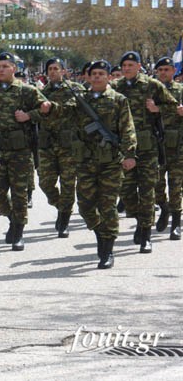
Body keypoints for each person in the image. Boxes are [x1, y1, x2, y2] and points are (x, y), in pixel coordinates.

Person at [55, 60, 137, 268]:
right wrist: (49, 106)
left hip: (110, 161)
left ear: (109, 76)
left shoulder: (118, 100)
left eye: (102, 73)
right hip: (85, 161)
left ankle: (107, 248)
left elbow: (127, 129)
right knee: (85, 206)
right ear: (88, 77)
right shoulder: (80, 100)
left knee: (108, 205)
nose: (98, 77)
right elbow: (62, 113)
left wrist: (129, 155)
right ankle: (101, 232)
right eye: (94, 74)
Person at [0, 52, 51, 251]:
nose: (1, 70)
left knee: (19, 194)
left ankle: (18, 231)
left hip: (20, 151)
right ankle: (12, 218)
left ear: (14, 69)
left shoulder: (26, 91)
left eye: (5, 66)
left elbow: (49, 110)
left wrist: (29, 115)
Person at [114, 51, 177, 253]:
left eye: (130, 65)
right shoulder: (116, 87)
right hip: (125, 147)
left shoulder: (152, 85)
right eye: (124, 66)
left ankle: (145, 235)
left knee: (147, 190)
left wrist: (157, 109)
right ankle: (140, 220)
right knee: (127, 191)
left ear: (139, 66)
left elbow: (173, 106)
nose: (126, 69)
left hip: (148, 146)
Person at [35, 58, 82, 237]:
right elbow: (36, 112)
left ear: (63, 71)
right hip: (47, 144)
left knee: (68, 183)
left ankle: (64, 218)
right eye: (50, 69)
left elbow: (72, 108)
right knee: (45, 182)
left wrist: (50, 108)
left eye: (56, 68)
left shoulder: (74, 89)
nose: (53, 72)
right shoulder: (42, 92)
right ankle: (61, 206)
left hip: (68, 144)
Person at [153, 57, 183, 240]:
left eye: (167, 69)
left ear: (173, 71)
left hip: (177, 146)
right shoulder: (150, 91)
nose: (163, 72)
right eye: (160, 69)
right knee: (156, 183)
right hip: (156, 146)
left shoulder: (180, 90)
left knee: (176, 185)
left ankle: (176, 223)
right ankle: (163, 207)